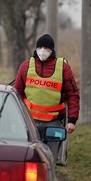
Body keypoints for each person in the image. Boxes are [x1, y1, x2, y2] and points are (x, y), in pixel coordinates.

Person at [14, 33, 80, 163]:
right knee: (27, 158)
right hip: (29, 122)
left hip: (54, 122)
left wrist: (72, 120)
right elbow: (17, 93)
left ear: (52, 50)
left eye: (46, 48)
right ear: (36, 48)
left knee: (49, 160)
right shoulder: (26, 66)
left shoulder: (63, 68)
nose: (42, 51)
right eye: (40, 48)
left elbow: (73, 94)